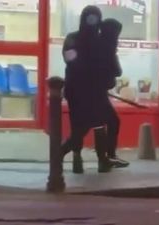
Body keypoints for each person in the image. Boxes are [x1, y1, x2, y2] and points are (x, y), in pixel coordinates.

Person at [61, 5, 112, 173]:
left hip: (91, 90)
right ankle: (74, 156)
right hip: (79, 91)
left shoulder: (97, 41)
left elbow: (107, 64)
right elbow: (71, 60)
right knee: (83, 126)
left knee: (96, 126)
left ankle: (100, 160)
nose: (92, 21)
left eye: (95, 18)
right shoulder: (74, 39)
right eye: (90, 17)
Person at [98, 18, 130, 168]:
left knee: (99, 124)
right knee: (112, 122)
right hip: (98, 93)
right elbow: (118, 71)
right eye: (117, 34)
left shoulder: (97, 44)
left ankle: (106, 157)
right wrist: (114, 55)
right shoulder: (108, 48)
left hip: (97, 92)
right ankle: (109, 156)